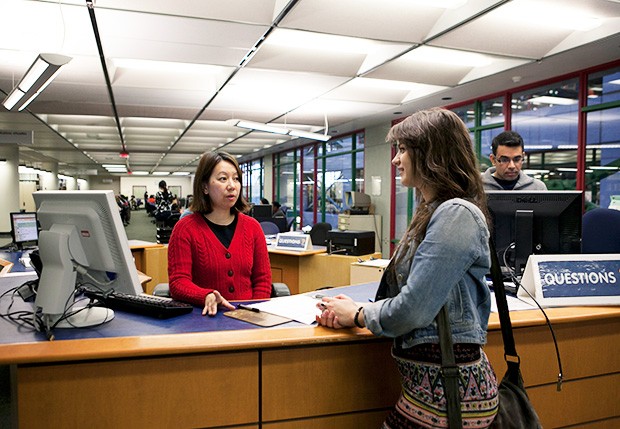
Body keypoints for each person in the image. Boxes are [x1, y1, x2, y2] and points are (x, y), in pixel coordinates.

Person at [316, 108, 499, 428]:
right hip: (432, 393)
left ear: (430, 154)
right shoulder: (433, 212)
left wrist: (358, 315)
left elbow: (414, 309)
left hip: (451, 397)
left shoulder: (456, 214)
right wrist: (355, 308)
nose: (395, 160)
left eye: (402, 149)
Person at [168, 151, 272, 316]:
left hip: (249, 319)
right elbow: (178, 283)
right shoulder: (185, 229)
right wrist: (205, 295)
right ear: (205, 187)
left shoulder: (253, 227)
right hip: (204, 318)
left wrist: (253, 310)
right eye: (223, 179)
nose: (232, 185)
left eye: (236, 178)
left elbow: (262, 280)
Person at [482, 130, 547, 190]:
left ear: (523, 157)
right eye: (504, 160)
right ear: (493, 159)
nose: (511, 166)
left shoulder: (538, 188)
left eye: (517, 159)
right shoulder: (477, 188)